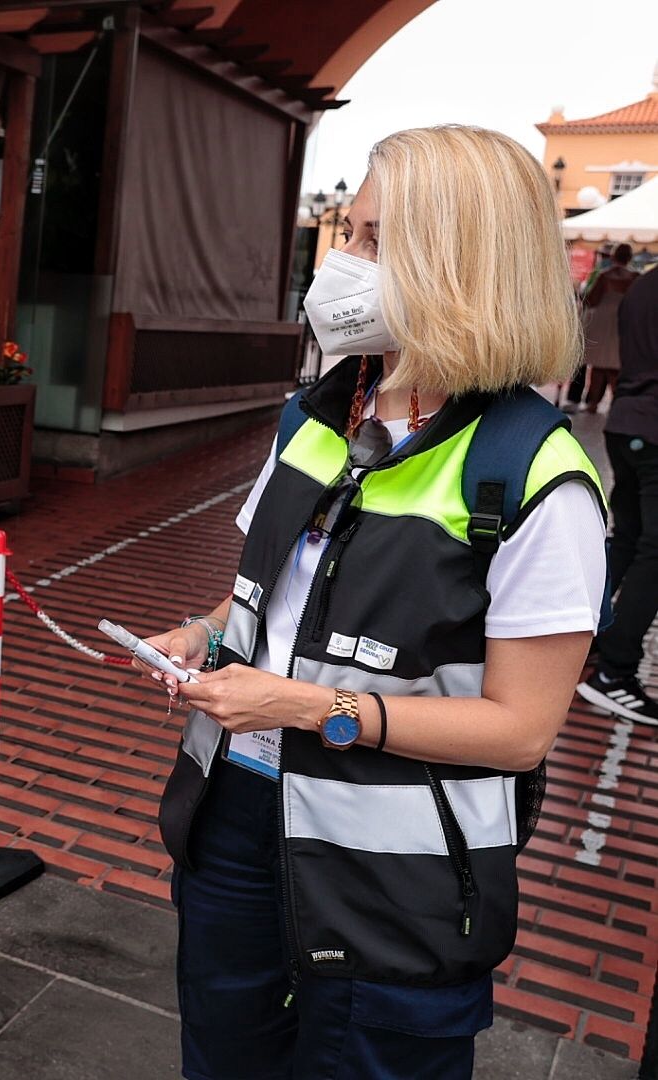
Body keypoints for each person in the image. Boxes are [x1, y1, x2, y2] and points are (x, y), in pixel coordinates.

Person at [143, 126, 606, 1079]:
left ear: (459, 265)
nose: (339, 266)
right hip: (236, 815)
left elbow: (521, 731)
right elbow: (273, 600)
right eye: (346, 233)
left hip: (398, 867)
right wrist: (203, 632)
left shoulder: (535, 473)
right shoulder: (317, 412)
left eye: (372, 240)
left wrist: (310, 709)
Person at [578, 260, 658, 723]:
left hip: (627, 420)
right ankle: (615, 672)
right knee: (652, 549)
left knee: (627, 536)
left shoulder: (645, 283)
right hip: (652, 426)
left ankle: (585, 636)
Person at [579, 244, 639, 412]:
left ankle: (593, 404)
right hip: (623, 321)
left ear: (613, 256)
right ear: (629, 257)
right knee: (615, 367)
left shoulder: (605, 276)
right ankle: (616, 404)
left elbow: (592, 299)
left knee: (598, 367)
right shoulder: (635, 277)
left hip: (603, 321)